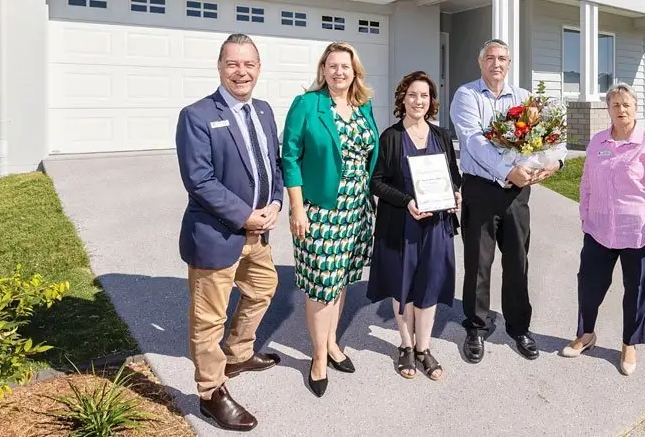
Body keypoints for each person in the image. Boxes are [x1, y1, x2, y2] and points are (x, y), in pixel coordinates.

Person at [175, 33, 284, 432]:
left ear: (259, 68)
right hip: (216, 235)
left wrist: (274, 203)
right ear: (220, 67)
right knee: (208, 319)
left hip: (257, 235)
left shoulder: (265, 111)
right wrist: (245, 216)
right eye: (233, 64)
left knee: (263, 289)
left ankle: (238, 353)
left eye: (249, 64)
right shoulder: (198, 115)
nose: (242, 72)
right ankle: (210, 392)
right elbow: (199, 180)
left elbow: (273, 163)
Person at [449, 38, 563, 364]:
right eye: (490, 58)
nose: (496, 64)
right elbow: (472, 140)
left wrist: (555, 162)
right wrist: (506, 170)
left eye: (502, 58)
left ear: (509, 63)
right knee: (478, 264)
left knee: (517, 261)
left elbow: (546, 137)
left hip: (516, 194)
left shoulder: (526, 98)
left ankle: (518, 327)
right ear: (480, 62)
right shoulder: (466, 95)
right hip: (481, 190)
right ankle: (476, 326)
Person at [281, 41, 379, 397]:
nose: (339, 72)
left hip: (357, 209)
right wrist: (296, 207)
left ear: (355, 73)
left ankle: (334, 342)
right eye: (332, 65)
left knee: (339, 283)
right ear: (323, 70)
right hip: (320, 210)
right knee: (322, 285)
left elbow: (370, 154)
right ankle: (319, 356)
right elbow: (289, 156)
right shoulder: (307, 104)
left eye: (346, 67)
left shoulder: (363, 105)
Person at [560, 82, 645, 376]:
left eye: (626, 104)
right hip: (599, 228)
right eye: (615, 105)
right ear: (608, 109)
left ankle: (629, 344)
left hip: (639, 230)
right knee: (589, 283)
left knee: (636, 290)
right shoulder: (598, 141)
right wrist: (585, 214)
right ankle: (586, 335)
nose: (621, 110)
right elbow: (586, 181)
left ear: (636, 108)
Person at [367, 71, 462, 381]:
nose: (418, 101)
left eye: (424, 95)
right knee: (404, 287)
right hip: (401, 226)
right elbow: (377, 183)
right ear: (402, 99)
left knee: (429, 285)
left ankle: (424, 348)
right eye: (412, 95)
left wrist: (455, 194)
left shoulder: (442, 136)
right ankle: (406, 346)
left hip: (436, 226)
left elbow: (453, 176)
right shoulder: (391, 137)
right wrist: (407, 200)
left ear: (431, 101)